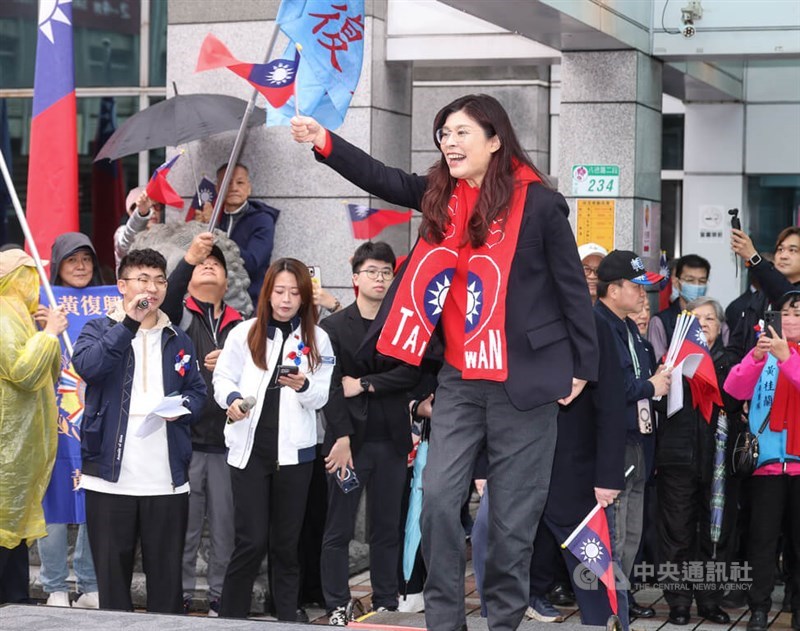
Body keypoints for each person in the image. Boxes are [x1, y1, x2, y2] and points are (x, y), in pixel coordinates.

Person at [292, 93, 598, 631]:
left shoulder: (541, 204)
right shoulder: (441, 197)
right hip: (459, 378)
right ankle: (445, 622)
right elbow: (381, 177)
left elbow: (572, 289)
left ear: (495, 139)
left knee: (511, 519)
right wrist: (324, 141)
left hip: (525, 383)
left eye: (461, 133)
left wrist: (581, 367)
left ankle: (502, 622)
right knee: (436, 500)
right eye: (444, 134)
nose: (449, 144)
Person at [72, 248, 206, 613]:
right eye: (142, 280)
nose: (152, 287)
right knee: (113, 582)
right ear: (121, 286)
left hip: (166, 477)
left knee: (166, 581)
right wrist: (129, 323)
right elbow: (89, 367)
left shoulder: (177, 337)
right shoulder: (98, 328)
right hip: (110, 478)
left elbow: (197, 391)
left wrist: (184, 408)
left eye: (159, 280)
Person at [212, 258, 334, 622]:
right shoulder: (244, 332)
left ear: (305, 297)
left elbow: (322, 396)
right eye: (279, 291)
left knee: (286, 544)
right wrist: (232, 401)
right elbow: (223, 378)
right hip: (249, 452)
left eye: (295, 293)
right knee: (250, 542)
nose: (286, 299)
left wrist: (304, 385)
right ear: (267, 293)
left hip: (295, 455)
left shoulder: (318, 338)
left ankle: (286, 617)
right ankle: (231, 617)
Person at [318, 242, 420, 625]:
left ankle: (385, 600)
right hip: (348, 446)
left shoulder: (401, 322)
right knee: (339, 527)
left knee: (387, 526)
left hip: (392, 442)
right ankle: (337, 603)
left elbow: (409, 374)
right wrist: (341, 436)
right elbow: (328, 387)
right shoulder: (332, 327)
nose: (379, 279)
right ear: (355, 278)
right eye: (372, 271)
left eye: (385, 273)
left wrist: (363, 383)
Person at [160, 232, 243, 617]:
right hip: (185, 442)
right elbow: (171, 290)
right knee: (185, 530)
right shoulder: (176, 315)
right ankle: (178, 595)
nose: (210, 265)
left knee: (226, 530)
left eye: (217, 264)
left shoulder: (243, 325)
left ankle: (219, 598)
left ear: (227, 281)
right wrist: (188, 259)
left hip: (228, 445)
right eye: (202, 264)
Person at [594, 250, 671, 621]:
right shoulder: (599, 324)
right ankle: (612, 606)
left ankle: (621, 603)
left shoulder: (626, 326)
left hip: (639, 439)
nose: (644, 294)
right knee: (617, 533)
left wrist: (656, 380)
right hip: (617, 442)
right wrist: (651, 385)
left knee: (632, 530)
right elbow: (615, 388)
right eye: (636, 286)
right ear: (612, 290)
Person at [654, 297, 739, 626]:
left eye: (710, 319)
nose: (703, 323)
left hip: (718, 462)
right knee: (677, 534)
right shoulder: (671, 359)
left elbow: (734, 399)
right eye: (696, 319)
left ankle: (709, 600)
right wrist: (667, 375)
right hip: (678, 459)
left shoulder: (730, 361)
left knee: (714, 533)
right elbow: (659, 405)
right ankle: (677, 601)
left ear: (720, 327)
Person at [724, 289, 800, 631]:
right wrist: (756, 357)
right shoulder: (764, 355)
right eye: (785, 313)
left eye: (798, 314)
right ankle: (758, 607)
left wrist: (788, 358)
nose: (790, 320)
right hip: (767, 463)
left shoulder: (785, 357)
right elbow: (734, 389)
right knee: (762, 540)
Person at [35, 233, 101, 609]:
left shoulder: (110, 304)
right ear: (57, 265)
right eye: (71, 260)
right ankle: (54, 585)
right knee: (54, 505)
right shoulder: (41, 306)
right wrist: (42, 327)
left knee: (94, 503)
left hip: (93, 422)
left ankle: (90, 584)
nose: (80, 267)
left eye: (86, 260)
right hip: (53, 424)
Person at [0, 250, 66, 604]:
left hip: (23, 449)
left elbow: (48, 374)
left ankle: (15, 602)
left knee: (14, 535)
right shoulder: (3, 316)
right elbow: (24, 373)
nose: (35, 286)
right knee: (4, 527)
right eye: (30, 277)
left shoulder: (21, 317)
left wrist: (46, 334)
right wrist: (50, 333)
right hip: (6, 448)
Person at [198, 163, 280, 305]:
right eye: (227, 183)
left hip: (249, 301)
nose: (234, 188)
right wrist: (202, 227)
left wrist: (215, 231)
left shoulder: (262, 220)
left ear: (249, 188)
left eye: (240, 182)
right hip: (212, 301)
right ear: (218, 189)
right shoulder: (214, 218)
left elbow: (252, 263)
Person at [648, 254, 711, 360]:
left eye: (702, 281)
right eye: (690, 280)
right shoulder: (660, 322)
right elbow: (658, 363)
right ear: (677, 282)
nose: (696, 286)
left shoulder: (715, 319)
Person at [113, 186, 163, 270]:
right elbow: (126, 244)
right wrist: (141, 214)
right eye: (147, 208)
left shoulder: (164, 234)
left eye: (157, 206)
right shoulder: (121, 232)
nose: (153, 212)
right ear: (130, 211)